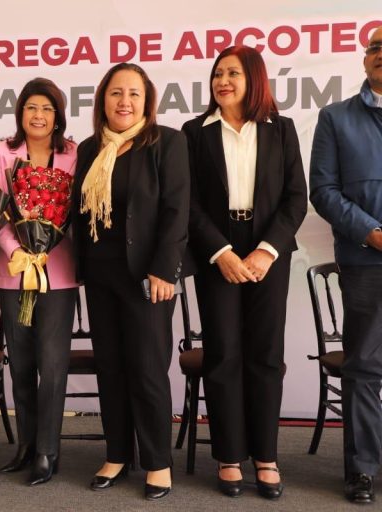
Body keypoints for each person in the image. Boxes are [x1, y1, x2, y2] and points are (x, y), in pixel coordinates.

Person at [182, 46, 307, 500]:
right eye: (217, 74)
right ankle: (229, 456)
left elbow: (296, 198)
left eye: (233, 73)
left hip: (268, 250)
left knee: (266, 355)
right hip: (218, 251)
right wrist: (221, 251)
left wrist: (266, 251)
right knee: (224, 354)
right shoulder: (194, 132)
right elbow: (189, 202)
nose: (223, 81)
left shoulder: (282, 129)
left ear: (254, 79)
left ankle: (266, 457)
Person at [72, 62, 190, 500]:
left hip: (147, 277)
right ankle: (117, 453)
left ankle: (158, 462)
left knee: (147, 369)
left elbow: (177, 211)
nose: (124, 101)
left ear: (147, 100)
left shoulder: (168, 143)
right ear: (103, 98)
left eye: (133, 94)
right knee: (111, 368)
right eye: (116, 92)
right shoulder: (89, 149)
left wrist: (165, 268)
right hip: (100, 274)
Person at [0, 77, 78, 486]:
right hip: (12, 273)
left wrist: (45, 248)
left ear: (58, 115)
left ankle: (47, 450)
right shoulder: (2, 152)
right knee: (21, 363)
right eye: (31, 108)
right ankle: (24, 445)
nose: (38, 116)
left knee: (53, 366)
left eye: (47, 108)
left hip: (58, 274)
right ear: (20, 113)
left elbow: (79, 208)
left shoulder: (74, 154)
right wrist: (17, 251)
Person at [310, 27, 382, 505]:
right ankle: (362, 470)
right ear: (364, 60)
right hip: (366, 260)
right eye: (377, 48)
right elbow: (324, 191)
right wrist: (372, 233)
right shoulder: (335, 117)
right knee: (365, 366)